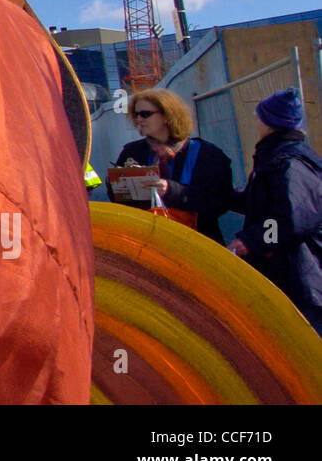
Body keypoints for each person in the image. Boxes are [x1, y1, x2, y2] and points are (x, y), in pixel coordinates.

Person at [227, 88, 322, 337]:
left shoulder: (291, 163)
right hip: (290, 275)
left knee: (305, 349)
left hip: (302, 280)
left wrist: (250, 241)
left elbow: (292, 218)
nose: (256, 122)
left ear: (269, 124)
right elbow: (261, 202)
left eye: (259, 117)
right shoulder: (277, 158)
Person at [114, 88, 234, 242]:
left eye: (145, 114)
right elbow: (119, 201)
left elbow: (220, 203)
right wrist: (119, 185)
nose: (139, 120)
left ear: (167, 116)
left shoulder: (207, 154)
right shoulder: (132, 152)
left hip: (197, 243)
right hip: (147, 242)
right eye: (136, 114)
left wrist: (173, 191)